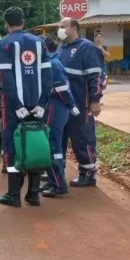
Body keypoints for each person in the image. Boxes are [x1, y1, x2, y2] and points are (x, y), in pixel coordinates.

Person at [0, 7, 53, 208]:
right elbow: (47, 75)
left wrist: (16, 104)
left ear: (6, 24)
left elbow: (6, 78)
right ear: (24, 22)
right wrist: (43, 103)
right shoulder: (40, 42)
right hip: (37, 104)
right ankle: (33, 195)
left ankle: (13, 195)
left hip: (13, 106)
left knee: (12, 147)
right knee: (34, 142)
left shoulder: (4, 44)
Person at [57, 17, 104, 187]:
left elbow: (96, 76)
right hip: (61, 104)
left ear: (74, 28)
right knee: (58, 139)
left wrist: (95, 100)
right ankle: (56, 171)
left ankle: (88, 174)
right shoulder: (61, 48)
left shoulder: (87, 48)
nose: (60, 30)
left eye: (63, 27)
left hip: (80, 104)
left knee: (83, 139)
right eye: (59, 27)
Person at [41, 36, 80, 198]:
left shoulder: (52, 64)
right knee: (53, 145)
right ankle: (53, 180)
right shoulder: (51, 61)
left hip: (56, 108)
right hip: (54, 108)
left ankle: (58, 184)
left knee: (52, 145)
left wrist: (71, 105)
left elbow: (62, 89)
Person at [94, 31, 109, 103]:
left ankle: (99, 98)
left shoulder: (104, 47)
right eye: (97, 37)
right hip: (93, 67)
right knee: (94, 82)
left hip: (102, 67)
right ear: (95, 38)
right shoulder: (91, 47)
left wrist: (101, 48)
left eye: (100, 37)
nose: (99, 39)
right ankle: (93, 98)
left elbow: (107, 56)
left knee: (101, 82)